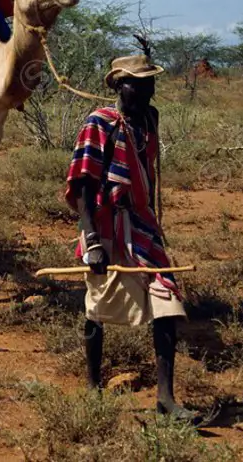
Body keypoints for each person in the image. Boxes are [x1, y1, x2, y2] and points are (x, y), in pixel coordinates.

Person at [65, 54, 197, 422]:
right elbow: (83, 184)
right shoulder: (99, 123)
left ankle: (166, 398)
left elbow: (148, 176)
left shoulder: (150, 120)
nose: (145, 89)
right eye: (136, 83)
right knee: (97, 307)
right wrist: (91, 240)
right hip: (105, 224)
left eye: (149, 82)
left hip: (141, 224)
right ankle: (93, 388)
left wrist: (152, 222)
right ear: (118, 85)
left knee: (167, 302)